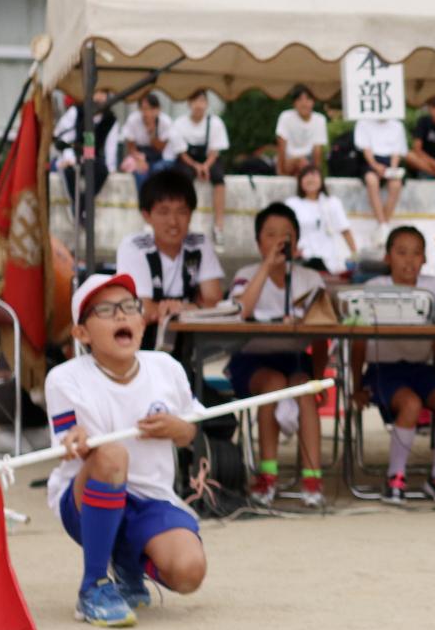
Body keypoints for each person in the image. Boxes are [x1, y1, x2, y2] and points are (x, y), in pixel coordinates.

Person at [46, 273, 207, 628]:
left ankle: (128, 565)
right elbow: (66, 445)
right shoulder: (64, 378)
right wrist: (78, 440)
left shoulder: (167, 367)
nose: (121, 316)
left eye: (129, 307)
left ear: (142, 321)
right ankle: (93, 588)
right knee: (112, 453)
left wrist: (178, 428)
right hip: (84, 498)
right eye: (105, 310)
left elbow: (189, 431)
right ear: (82, 334)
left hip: (152, 498)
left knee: (189, 572)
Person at [228, 202, 329, 508]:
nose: (278, 241)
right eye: (270, 235)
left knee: (305, 390)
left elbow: (323, 333)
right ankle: (267, 474)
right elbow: (241, 310)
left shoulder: (310, 279)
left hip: (296, 360)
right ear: (259, 241)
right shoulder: (246, 275)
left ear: (296, 243)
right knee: (272, 384)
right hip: (253, 361)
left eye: (286, 235)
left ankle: (312, 476)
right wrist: (267, 267)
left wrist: (320, 376)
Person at [355, 226, 435, 502]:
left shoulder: (434, 287)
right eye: (401, 253)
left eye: (416, 253)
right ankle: (395, 476)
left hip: (422, 370)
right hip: (384, 369)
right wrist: (355, 385)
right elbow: (357, 342)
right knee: (410, 404)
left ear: (424, 259)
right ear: (388, 257)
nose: (409, 260)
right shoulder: (374, 289)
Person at [114, 166, 224, 343]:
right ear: (146, 216)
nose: (173, 222)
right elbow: (141, 310)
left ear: (191, 214)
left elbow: (215, 303)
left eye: (181, 212)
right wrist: (192, 307)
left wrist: (180, 308)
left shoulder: (200, 244)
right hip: (142, 344)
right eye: (163, 212)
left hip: (190, 342)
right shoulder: (134, 247)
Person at [167, 90, 230, 237]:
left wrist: (206, 166)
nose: (199, 105)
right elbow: (181, 153)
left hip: (209, 160)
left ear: (207, 104)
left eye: (202, 101)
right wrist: (196, 166)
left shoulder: (215, 123)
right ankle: (184, 223)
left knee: (219, 178)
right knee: (183, 180)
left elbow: (215, 151)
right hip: (187, 161)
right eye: (195, 101)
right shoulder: (179, 124)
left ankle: (219, 226)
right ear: (189, 103)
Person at [283, 165, 357, 278]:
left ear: (321, 180)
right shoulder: (292, 203)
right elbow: (285, 232)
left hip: (328, 259)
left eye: (314, 175)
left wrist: (355, 254)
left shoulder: (332, 202)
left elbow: (345, 229)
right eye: (306, 176)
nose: (310, 179)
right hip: (301, 257)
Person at [354, 114, 409, 232]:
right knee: (371, 180)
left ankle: (384, 224)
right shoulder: (363, 122)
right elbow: (365, 149)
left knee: (396, 184)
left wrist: (392, 169)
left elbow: (397, 152)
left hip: (391, 163)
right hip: (370, 162)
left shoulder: (397, 125)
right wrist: (375, 165)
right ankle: (383, 224)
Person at [275, 86, 329, 178]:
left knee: (304, 164)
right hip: (288, 162)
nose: (304, 103)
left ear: (313, 102)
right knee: (300, 162)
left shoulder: (320, 119)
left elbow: (317, 151)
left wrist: (316, 174)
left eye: (308, 99)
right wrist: (281, 172)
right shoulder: (285, 117)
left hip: (308, 163)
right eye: (299, 99)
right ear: (294, 103)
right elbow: (281, 147)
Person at [119, 93, 177, 175]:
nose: (148, 112)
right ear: (139, 109)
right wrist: (140, 160)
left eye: (152, 109)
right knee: (140, 172)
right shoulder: (133, 119)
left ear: (158, 109)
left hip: (161, 156)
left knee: (158, 170)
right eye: (145, 109)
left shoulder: (165, 121)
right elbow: (131, 146)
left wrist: (152, 134)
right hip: (139, 154)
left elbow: (161, 148)